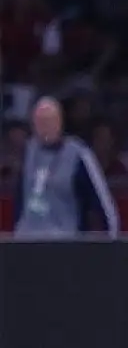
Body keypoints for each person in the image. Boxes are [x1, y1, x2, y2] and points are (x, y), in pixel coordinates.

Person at [13, 96, 120, 240]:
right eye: (39, 121)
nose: (44, 126)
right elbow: (21, 199)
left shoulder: (79, 155)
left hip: (65, 242)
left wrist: (113, 244)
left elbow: (105, 207)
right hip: (26, 240)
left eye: (49, 120)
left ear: (60, 122)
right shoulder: (28, 152)